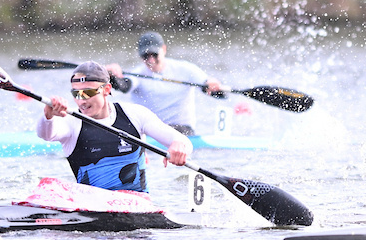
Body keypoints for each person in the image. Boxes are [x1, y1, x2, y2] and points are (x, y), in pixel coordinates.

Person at [37, 61, 193, 192]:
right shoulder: (72, 122)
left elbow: (183, 141)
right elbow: (45, 134)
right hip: (91, 208)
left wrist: (180, 145)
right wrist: (48, 115)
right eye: (76, 94)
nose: (81, 101)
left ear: (107, 90)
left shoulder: (134, 114)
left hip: (138, 207)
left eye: (88, 93)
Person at [112, 31, 225, 136]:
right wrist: (111, 76)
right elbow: (123, 86)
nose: (151, 60)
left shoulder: (185, 69)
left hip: (182, 130)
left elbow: (218, 94)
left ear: (164, 49)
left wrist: (213, 86)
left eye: (154, 54)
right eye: (146, 56)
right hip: (149, 131)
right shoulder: (137, 74)